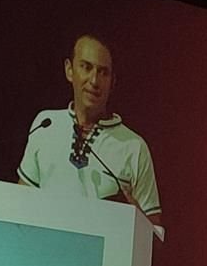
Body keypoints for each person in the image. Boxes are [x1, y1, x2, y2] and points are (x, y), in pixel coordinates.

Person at [17, 33, 162, 226]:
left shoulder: (134, 147)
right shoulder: (45, 123)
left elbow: (156, 237)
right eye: (86, 67)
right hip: (44, 251)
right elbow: (20, 206)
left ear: (113, 81)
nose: (94, 81)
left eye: (103, 72)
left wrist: (138, 220)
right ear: (69, 70)